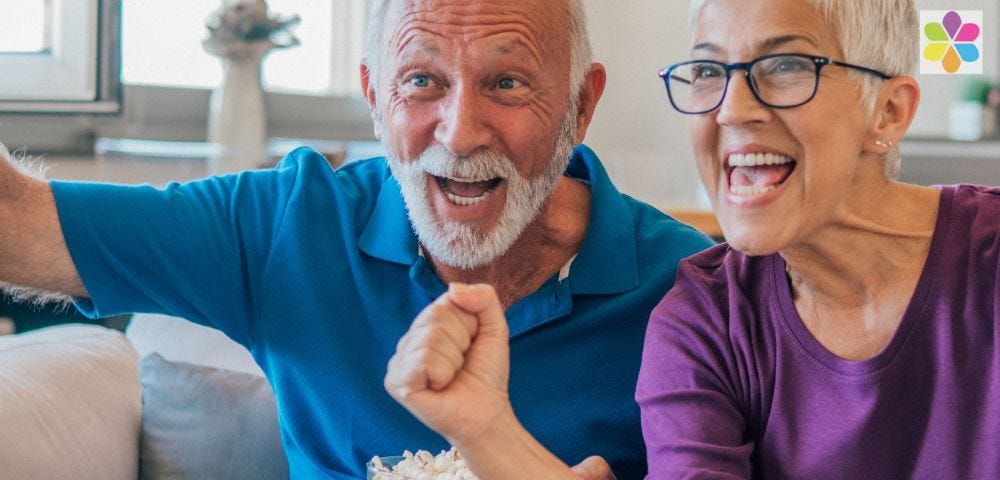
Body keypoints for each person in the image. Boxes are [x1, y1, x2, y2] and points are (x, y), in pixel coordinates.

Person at [0, 0, 713, 478]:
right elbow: (19, 226)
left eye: (506, 82)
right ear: (375, 98)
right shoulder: (293, 222)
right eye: (422, 80)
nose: (459, 134)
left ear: (581, 105)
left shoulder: (696, 289)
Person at [635, 0, 1000, 478]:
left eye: (786, 65)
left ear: (889, 112)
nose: (731, 110)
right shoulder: (705, 322)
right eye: (707, 69)